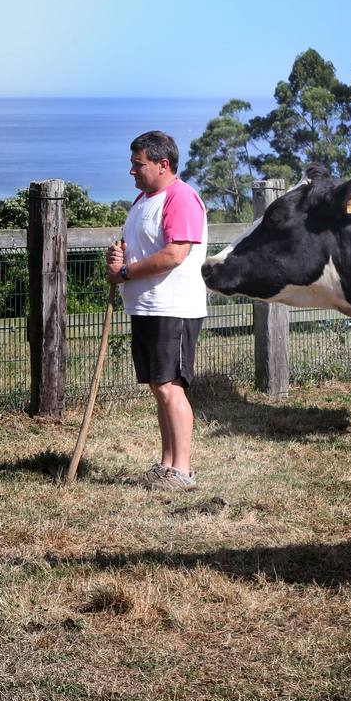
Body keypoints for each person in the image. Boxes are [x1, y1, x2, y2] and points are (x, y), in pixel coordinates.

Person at [107, 130, 207, 492]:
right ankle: (166, 465)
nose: (132, 172)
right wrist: (118, 262)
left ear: (163, 165)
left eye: (139, 165)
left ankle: (182, 471)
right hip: (146, 307)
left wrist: (127, 272)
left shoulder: (180, 198)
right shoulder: (143, 200)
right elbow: (138, 250)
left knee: (170, 386)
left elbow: (174, 254)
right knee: (157, 386)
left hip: (173, 306)